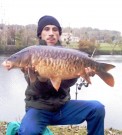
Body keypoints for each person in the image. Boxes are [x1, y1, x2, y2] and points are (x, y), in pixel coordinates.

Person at [18, 15, 105, 135]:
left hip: (62, 107)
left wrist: (82, 73)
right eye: (46, 29)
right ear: (40, 34)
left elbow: (65, 85)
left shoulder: (68, 55)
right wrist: (41, 79)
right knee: (28, 131)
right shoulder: (31, 54)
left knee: (97, 108)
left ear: (59, 34)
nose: (51, 33)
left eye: (55, 30)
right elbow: (37, 89)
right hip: (38, 109)